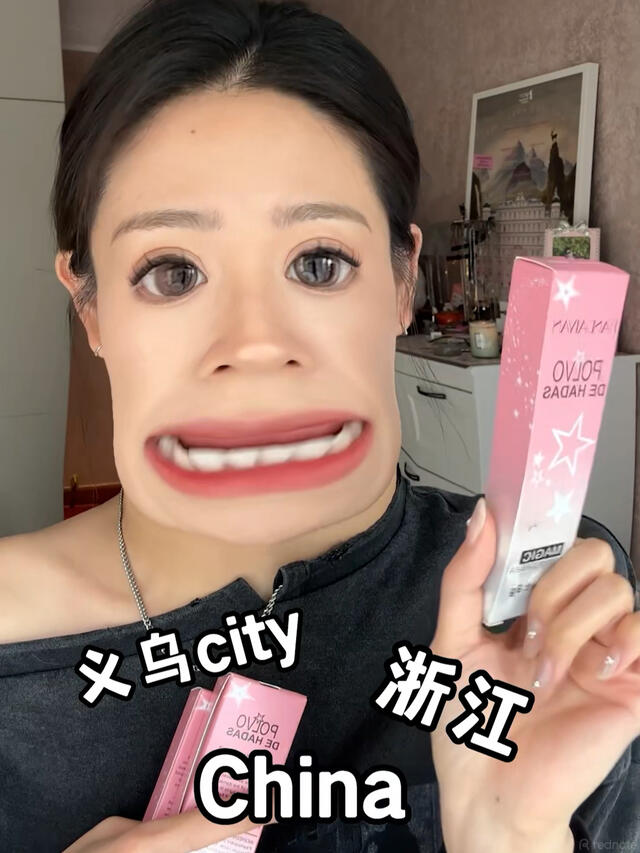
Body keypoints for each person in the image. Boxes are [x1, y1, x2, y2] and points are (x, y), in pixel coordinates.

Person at [0, 1, 638, 850]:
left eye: (320, 262)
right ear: (90, 308)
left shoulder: (547, 603)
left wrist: (510, 833)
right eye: (171, 272)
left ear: (403, 282)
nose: (256, 344)